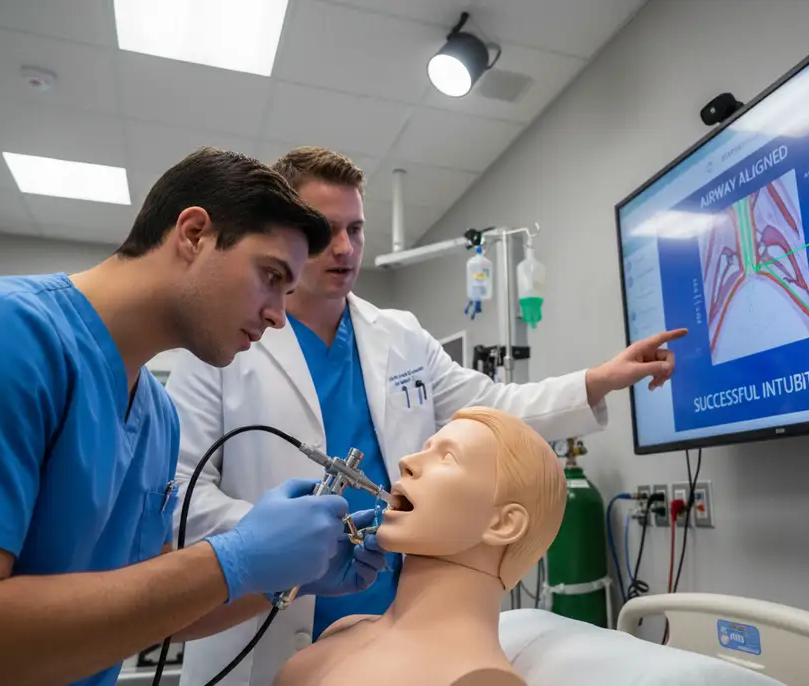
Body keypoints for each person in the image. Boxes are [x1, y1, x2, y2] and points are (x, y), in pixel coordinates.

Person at [0, 148, 387, 686]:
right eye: (270, 275)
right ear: (194, 233)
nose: (277, 315)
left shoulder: (157, 418)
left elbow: (147, 605)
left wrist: (289, 575)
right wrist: (235, 557)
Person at [167, 146, 687, 685]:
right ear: (288, 232)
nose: (345, 248)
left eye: (357, 229)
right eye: (327, 229)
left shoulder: (400, 335)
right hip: (258, 632)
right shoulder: (225, 339)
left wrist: (598, 380)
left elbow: (493, 412)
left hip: (389, 618)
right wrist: (272, 541)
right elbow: (177, 495)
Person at [273, 406, 566, 686]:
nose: (407, 462)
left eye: (448, 457)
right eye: (425, 448)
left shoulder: (479, 679)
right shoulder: (344, 630)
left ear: (504, 524)